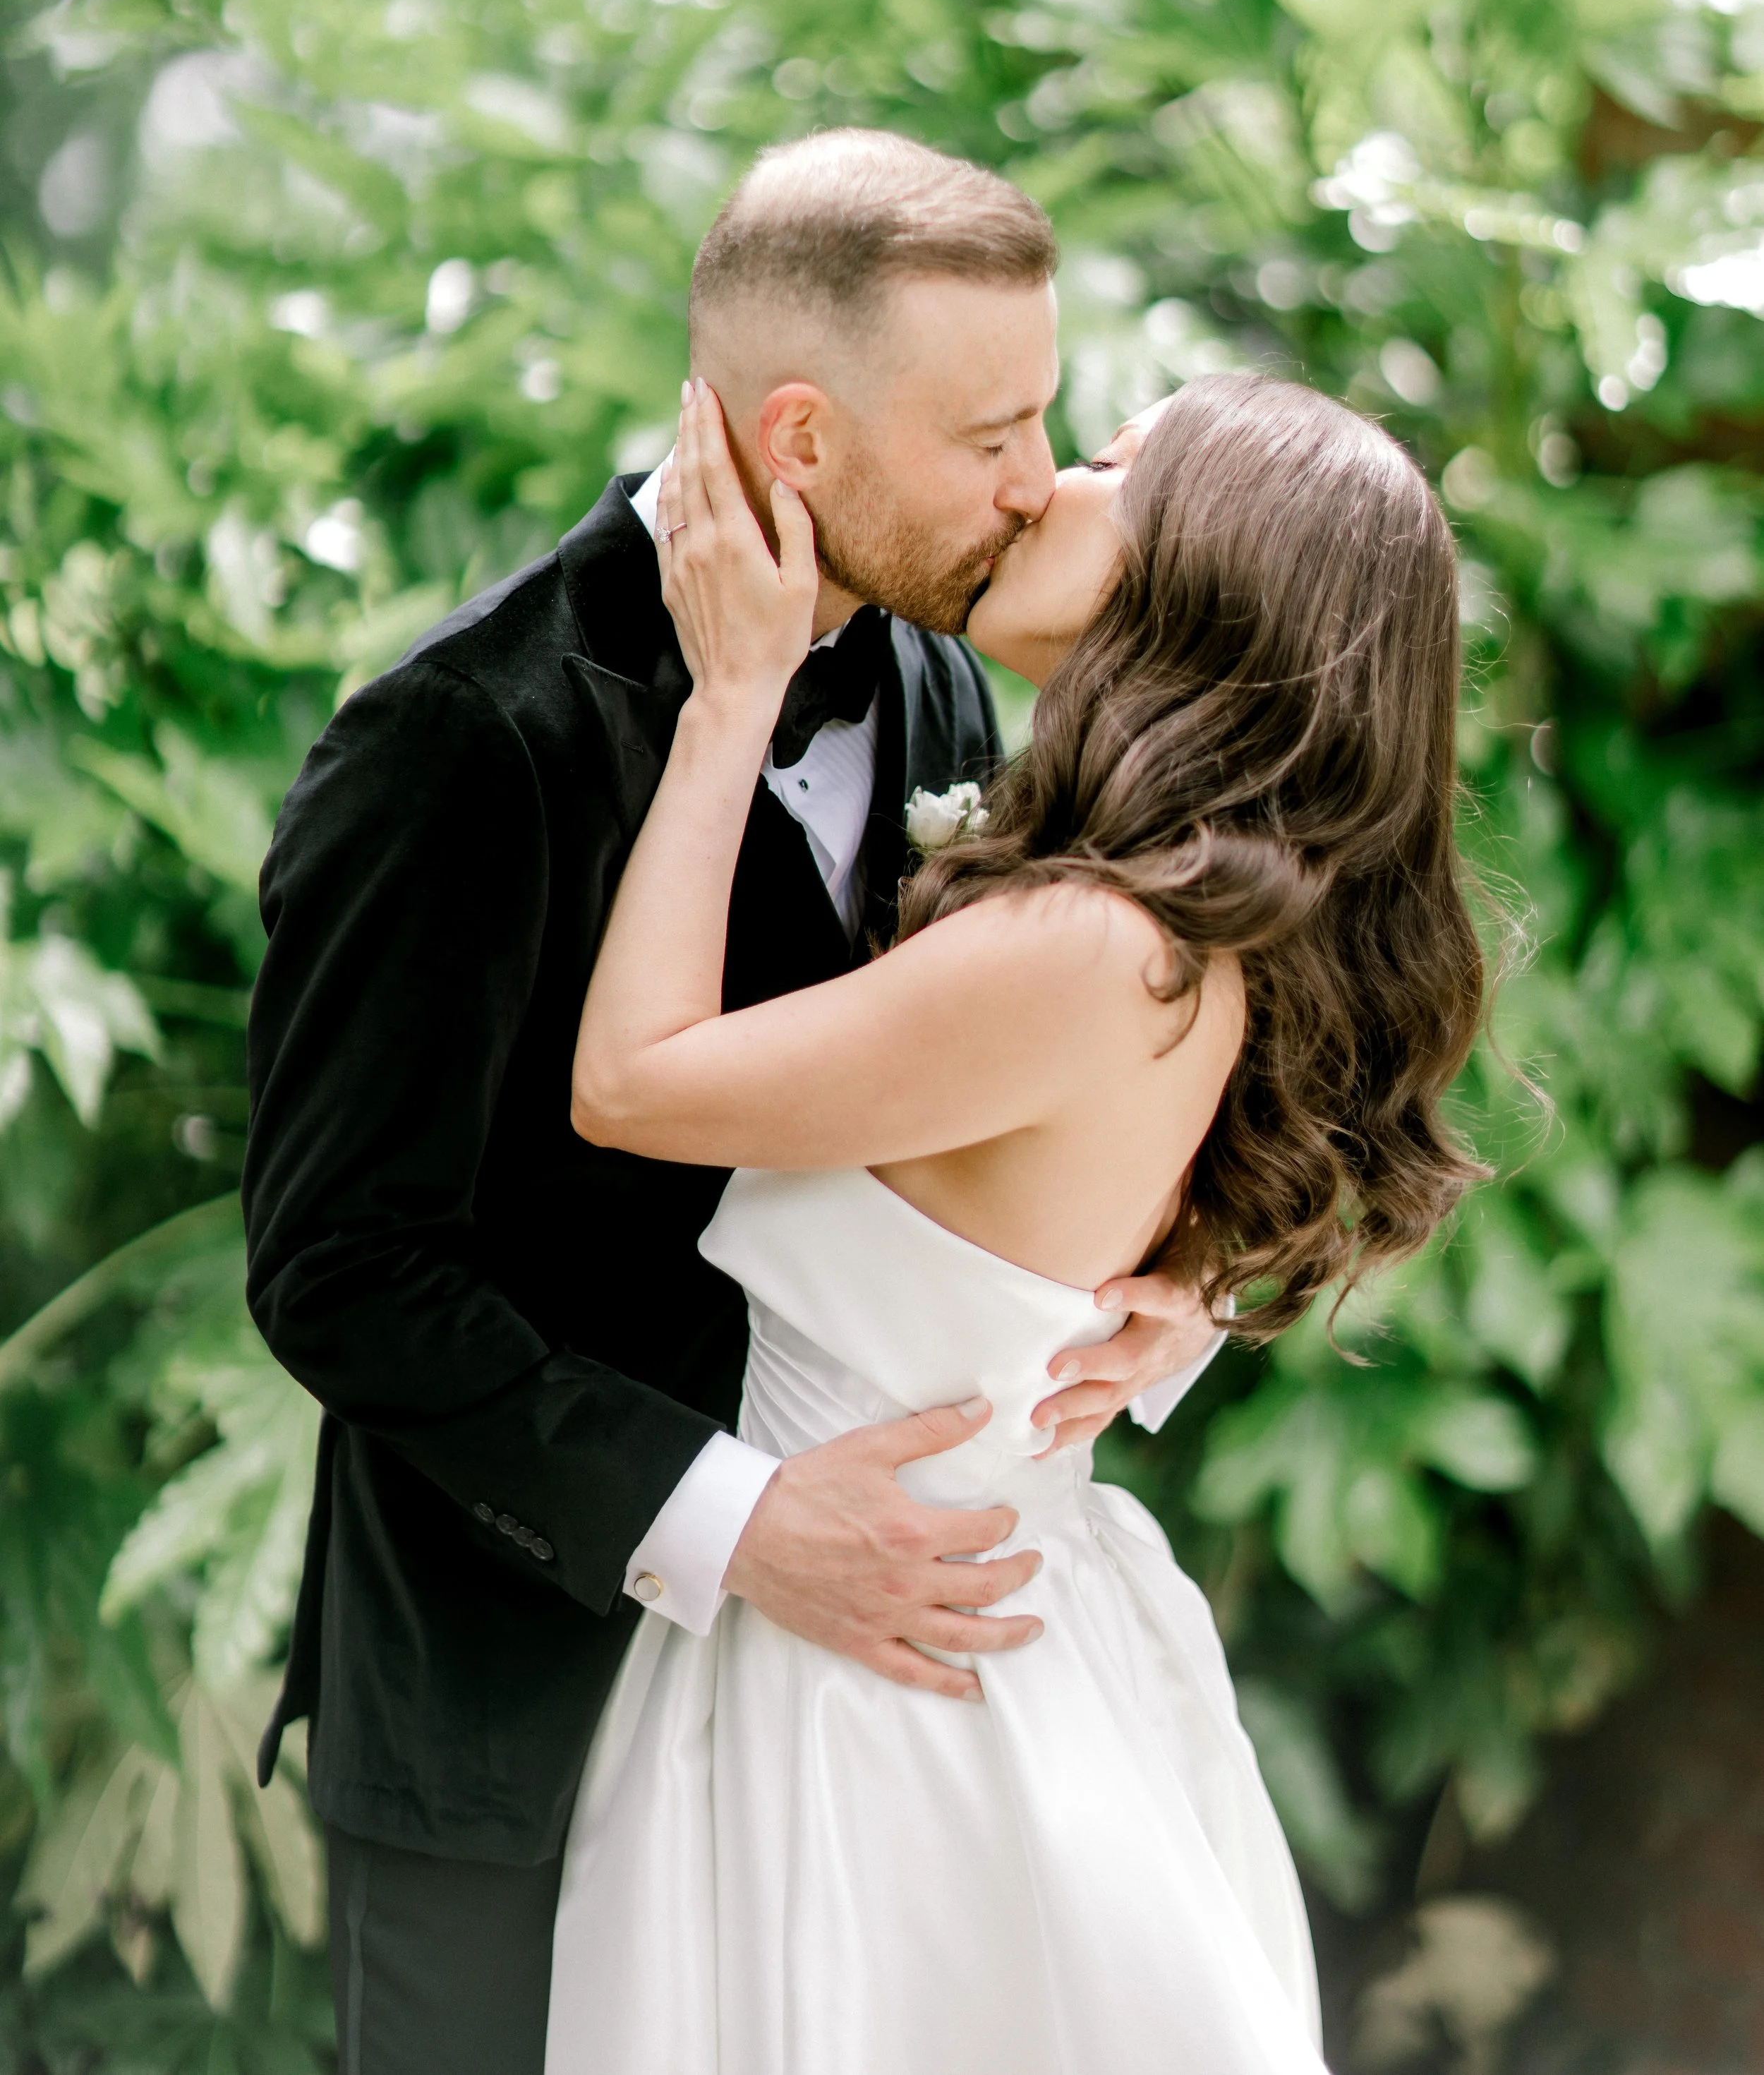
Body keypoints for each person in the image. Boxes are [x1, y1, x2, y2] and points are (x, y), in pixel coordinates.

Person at [241, 130, 1224, 2075]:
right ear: (800, 439)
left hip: (865, 1737)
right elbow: (342, 1263)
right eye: (992, 432)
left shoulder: (943, 677)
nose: (1038, 482)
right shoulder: (460, 739)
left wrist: (1166, 1281)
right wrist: (729, 1518)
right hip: (512, 1707)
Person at [543, 364, 1487, 2073]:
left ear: (1203, 569)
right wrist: (1186, 1283)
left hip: (886, 1685)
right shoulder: (1192, 913)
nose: (1042, 483)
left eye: (1111, 460)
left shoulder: (1088, 939)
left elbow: (632, 1079)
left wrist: (729, 695)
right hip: (977, 1611)